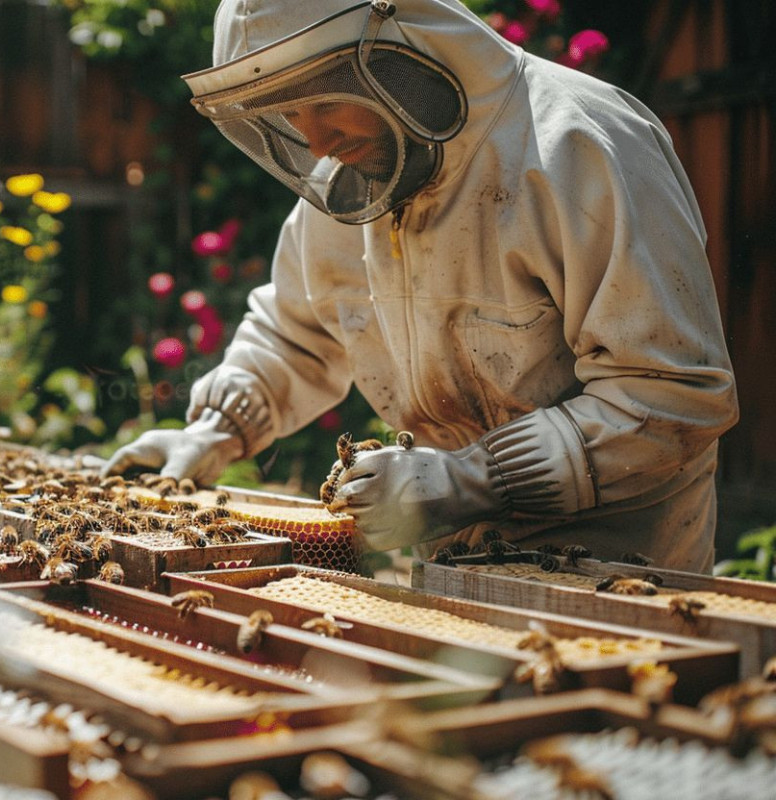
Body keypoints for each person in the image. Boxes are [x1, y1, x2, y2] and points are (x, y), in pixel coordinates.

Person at [103, 0, 738, 572]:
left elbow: (674, 392)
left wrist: (472, 478)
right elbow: (296, 333)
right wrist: (214, 430)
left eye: (327, 99)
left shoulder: (581, 143)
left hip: (619, 571)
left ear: (402, 52)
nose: (316, 140)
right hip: (450, 570)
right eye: (291, 113)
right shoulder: (353, 175)